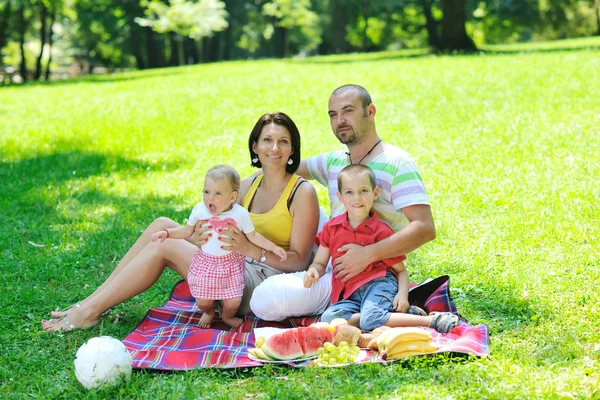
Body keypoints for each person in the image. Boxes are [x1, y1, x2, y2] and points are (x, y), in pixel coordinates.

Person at [42, 112, 319, 332]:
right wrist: (198, 236)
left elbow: (298, 261)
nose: (275, 147)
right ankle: (92, 301)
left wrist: (251, 250)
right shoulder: (246, 185)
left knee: (165, 246)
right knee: (161, 225)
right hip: (230, 261)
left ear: (293, 148)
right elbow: (211, 222)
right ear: (255, 147)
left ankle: (88, 313)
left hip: (255, 282)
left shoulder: (302, 192)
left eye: (283, 141)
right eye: (267, 140)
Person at [250, 84, 440, 322]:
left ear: (370, 112)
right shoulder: (334, 161)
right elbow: (280, 166)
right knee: (308, 201)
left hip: (372, 273)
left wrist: (368, 254)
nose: (340, 120)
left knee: (265, 300)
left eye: (348, 111)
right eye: (333, 114)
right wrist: (234, 186)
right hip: (328, 261)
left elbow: (424, 227)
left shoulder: (397, 163)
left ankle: (377, 311)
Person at [303, 164, 457, 332]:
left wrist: (402, 295)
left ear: (375, 193)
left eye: (363, 191)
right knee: (329, 318)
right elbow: (320, 263)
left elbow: (401, 271)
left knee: (369, 321)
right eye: (349, 192)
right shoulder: (331, 228)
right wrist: (313, 271)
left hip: (379, 284)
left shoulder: (381, 231)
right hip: (350, 293)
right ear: (339, 196)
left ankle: (433, 320)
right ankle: (392, 315)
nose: (357, 198)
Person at [151, 165, 287, 328]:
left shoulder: (240, 214)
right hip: (206, 263)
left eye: (217, 194)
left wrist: (273, 248)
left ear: (232, 197)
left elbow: (253, 236)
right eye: (206, 192)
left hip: (231, 264)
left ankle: (227, 316)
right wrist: (167, 233)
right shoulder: (200, 210)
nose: (210, 198)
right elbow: (187, 230)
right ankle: (208, 312)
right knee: (202, 299)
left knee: (233, 301)